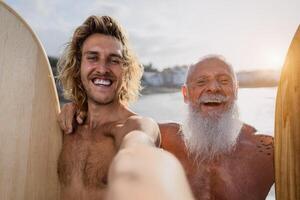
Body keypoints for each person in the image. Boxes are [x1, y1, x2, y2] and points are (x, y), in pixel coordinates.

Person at [59, 55, 274, 200]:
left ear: (236, 92)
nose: (213, 87)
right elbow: (121, 128)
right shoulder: (165, 137)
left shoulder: (266, 152)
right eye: (201, 82)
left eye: (224, 81)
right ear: (185, 95)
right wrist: (82, 111)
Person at [56, 15, 164, 200]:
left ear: (126, 69)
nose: (103, 68)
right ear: (78, 66)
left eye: (114, 60)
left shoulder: (137, 126)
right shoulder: (66, 126)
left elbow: (140, 145)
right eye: (93, 57)